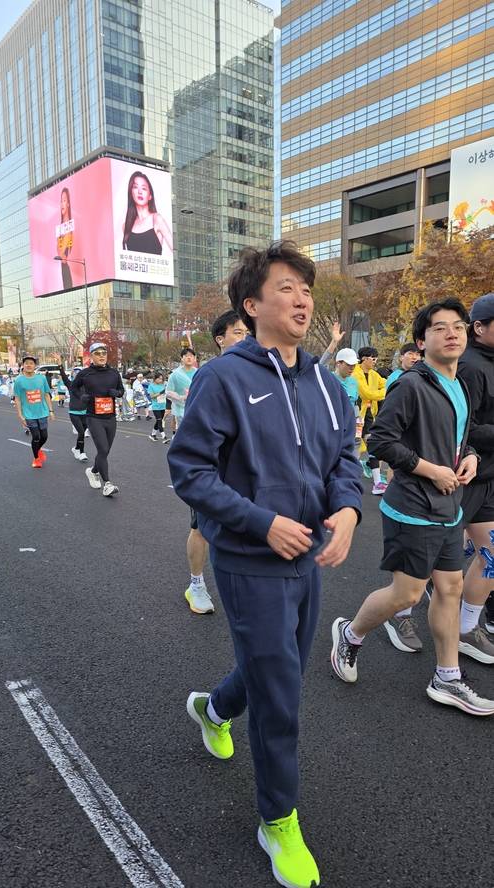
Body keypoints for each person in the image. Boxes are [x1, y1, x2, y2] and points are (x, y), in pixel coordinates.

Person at [168, 241, 363, 888]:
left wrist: (349, 512)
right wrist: (259, 521)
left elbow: (345, 464)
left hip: (307, 560)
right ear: (251, 306)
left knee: (271, 671)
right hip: (250, 562)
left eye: (305, 288)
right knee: (281, 693)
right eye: (285, 288)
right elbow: (188, 470)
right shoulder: (222, 377)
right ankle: (277, 820)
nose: (302, 298)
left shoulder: (329, 385)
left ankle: (215, 709)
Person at [331, 297, 494, 716]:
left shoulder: (459, 384)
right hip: (413, 508)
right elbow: (381, 441)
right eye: (440, 328)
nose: (452, 333)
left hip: (449, 506)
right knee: (406, 594)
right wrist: (431, 470)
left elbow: (462, 435)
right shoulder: (410, 384)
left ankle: (447, 677)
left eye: (458, 325)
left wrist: (471, 454)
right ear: (421, 341)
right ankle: (350, 634)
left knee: (451, 588)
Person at [182, 310, 249, 616]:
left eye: (248, 333)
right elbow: (194, 439)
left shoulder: (257, 372)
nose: (245, 338)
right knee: (202, 529)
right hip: (215, 472)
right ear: (220, 339)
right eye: (238, 333)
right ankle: (196, 584)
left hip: (248, 472)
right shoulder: (209, 375)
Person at [455, 293, 494, 662]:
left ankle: (466, 627)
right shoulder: (469, 366)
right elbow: (464, 427)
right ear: (479, 327)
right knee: (428, 564)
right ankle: (392, 617)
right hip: (463, 477)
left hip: (489, 478)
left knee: (492, 554)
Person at [71, 343, 124, 497]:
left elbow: (122, 390)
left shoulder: (114, 373)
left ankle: (93, 471)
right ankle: (107, 484)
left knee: (105, 451)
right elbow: (73, 388)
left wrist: (117, 393)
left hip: (110, 417)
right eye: (97, 353)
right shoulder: (85, 374)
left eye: (104, 353)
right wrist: (83, 397)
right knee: (102, 450)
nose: (101, 356)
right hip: (94, 417)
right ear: (91, 356)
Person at [352, 346, 387, 494]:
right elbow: (367, 393)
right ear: (364, 358)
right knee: (353, 450)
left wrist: (381, 390)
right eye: (373, 358)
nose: (375, 361)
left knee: (373, 444)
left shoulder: (374, 375)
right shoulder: (355, 373)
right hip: (355, 416)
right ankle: (350, 481)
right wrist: (383, 392)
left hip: (368, 416)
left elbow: (387, 384)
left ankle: (377, 482)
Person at [13, 355, 55, 468]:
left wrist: (51, 411)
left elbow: (46, 394)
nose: (29, 365)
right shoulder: (18, 380)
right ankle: (36, 458)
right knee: (36, 436)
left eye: (31, 363)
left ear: (35, 365)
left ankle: (38, 449)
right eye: (26, 363)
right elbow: (17, 398)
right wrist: (20, 415)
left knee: (44, 436)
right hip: (28, 413)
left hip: (42, 412)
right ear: (23, 365)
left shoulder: (41, 378)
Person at [122, 171, 172, 256]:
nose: (140, 192)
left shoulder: (156, 219)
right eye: (135, 187)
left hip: (155, 269)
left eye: (144, 188)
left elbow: (175, 250)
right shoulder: (126, 226)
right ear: (131, 192)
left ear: (150, 196)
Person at [59, 364, 88, 462]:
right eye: (75, 373)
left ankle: (76, 449)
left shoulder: (87, 386)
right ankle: (82, 452)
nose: (77, 375)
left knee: (82, 433)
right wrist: (60, 365)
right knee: (81, 433)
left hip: (85, 413)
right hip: (74, 413)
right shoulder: (70, 384)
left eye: (79, 373)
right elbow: (63, 376)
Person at [166, 348, 198, 437]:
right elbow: (168, 392)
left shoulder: (199, 372)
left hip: (196, 407)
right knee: (183, 433)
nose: (189, 358)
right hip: (180, 408)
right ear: (181, 358)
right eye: (186, 356)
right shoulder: (175, 374)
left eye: (191, 356)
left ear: (195, 358)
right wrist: (180, 398)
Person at [56, 187, 73, 290]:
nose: (62, 204)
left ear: (68, 204)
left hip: (67, 269)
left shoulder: (69, 227)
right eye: (61, 201)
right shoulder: (60, 228)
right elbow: (58, 251)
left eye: (64, 200)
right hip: (63, 270)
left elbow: (61, 253)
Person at [147, 371, 167, 442]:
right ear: (155, 379)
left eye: (161, 379)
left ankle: (153, 435)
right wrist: (160, 393)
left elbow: (165, 394)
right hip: (156, 406)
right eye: (159, 379)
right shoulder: (151, 386)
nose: (161, 380)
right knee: (159, 421)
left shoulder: (162, 385)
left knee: (159, 421)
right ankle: (164, 437)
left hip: (163, 405)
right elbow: (152, 396)